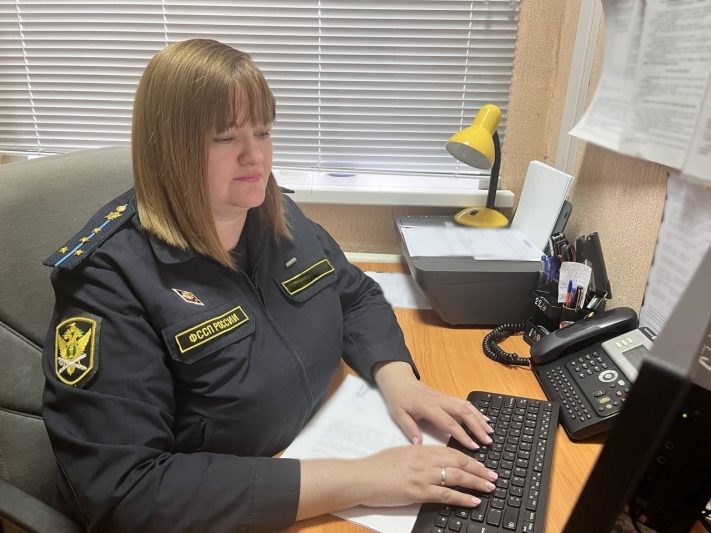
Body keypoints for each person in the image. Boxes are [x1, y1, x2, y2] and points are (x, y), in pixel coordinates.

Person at [41, 38, 498, 532]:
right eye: (225, 138)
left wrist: (398, 379)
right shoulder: (108, 279)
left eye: (262, 131)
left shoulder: (273, 214)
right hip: (223, 507)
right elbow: (127, 491)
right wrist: (364, 479)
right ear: (167, 149)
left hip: (313, 445)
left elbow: (354, 296)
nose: (255, 156)